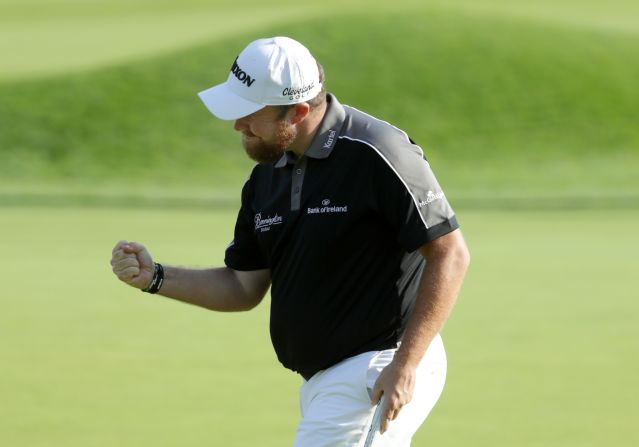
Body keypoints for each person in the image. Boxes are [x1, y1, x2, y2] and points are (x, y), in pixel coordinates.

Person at [110, 36, 470, 446]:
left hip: (379, 367)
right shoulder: (267, 176)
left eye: (249, 114)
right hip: (324, 382)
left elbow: (450, 253)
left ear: (297, 111)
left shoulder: (377, 152)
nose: (237, 125)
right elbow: (242, 287)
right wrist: (155, 276)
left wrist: (406, 364)